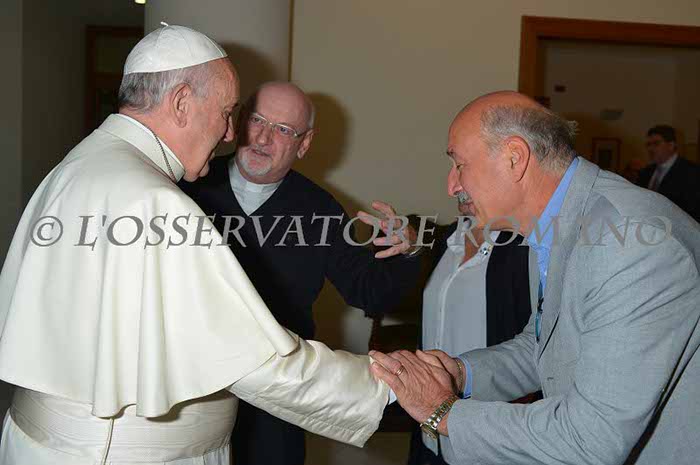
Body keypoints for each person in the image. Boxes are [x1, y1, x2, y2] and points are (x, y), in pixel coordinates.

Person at [0, 25, 391, 465]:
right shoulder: (156, 201)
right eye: (227, 113)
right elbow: (255, 364)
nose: (230, 134)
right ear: (182, 102)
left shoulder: (78, 165)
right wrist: (388, 383)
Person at [372, 91, 700, 465]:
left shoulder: (627, 242)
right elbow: (543, 345)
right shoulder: (557, 224)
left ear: (515, 157)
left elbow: (591, 438)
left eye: (459, 165)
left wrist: (443, 413)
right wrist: (460, 373)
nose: (452, 185)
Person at [179, 81, 422, 465]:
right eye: (257, 120)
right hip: (193, 390)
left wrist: (407, 251)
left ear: (304, 144)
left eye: (282, 129)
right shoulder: (186, 188)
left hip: (279, 398)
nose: (263, 138)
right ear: (238, 123)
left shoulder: (320, 210)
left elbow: (369, 292)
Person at [408, 195, 535, 465]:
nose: (453, 186)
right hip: (431, 431)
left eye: (462, 171)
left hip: (491, 435)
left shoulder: (528, 243)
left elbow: (538, 344)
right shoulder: (446, 239)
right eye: (451, 171)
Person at [637, 125, 699, 221]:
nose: (650, 149)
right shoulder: (645, 172)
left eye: (656, 143)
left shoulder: (691, 172)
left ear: (671, 145)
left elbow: (693, 209)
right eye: (648, 144)